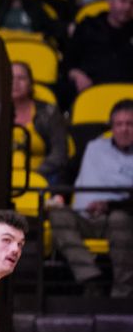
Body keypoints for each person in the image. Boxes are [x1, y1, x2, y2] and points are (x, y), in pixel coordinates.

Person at [48, 99, 133, 298]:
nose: (124, 129)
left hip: (120, 219)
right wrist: (59, 195)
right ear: (111, 127)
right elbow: (68, 171)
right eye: (119, 124)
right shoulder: (93, 147)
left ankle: (123, 293)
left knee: (119, 219)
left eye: (130, 124)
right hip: (83, 216)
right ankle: (91, 278)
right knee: (58, 216)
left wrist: (109, 206)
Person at [62, 0, 133, 98]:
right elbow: (67, 64)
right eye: (123, 1)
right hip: (89, 93)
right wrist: (76, 74)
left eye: (132, 3)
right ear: (110, 0)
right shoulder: (88, 26)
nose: (127, 7)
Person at [10, 62, 68, 185]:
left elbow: (59, 154)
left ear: (30, 84)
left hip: (42, 178)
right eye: (11, 78)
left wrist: (33, 176)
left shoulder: (48, 112)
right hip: (4, 179)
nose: (15, 83)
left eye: (21, 78)